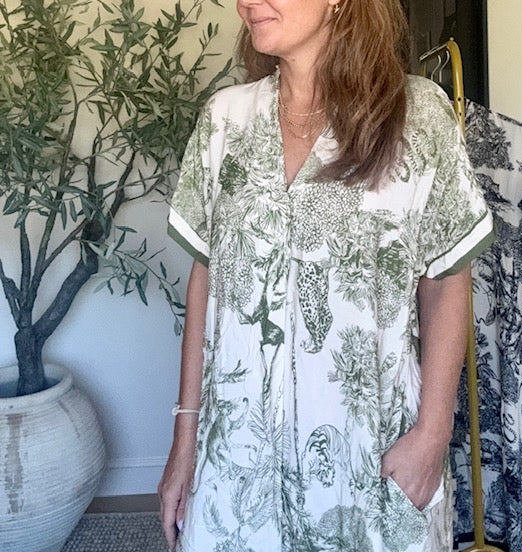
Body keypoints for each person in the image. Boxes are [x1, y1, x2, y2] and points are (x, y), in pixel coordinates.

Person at [158, 0, 493, 550]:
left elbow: (446, 279)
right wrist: (184, 441)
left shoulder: (417, 117)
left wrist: (432, 435)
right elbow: (207, 279)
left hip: (369, 461)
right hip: (236, 467)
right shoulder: (224, 121)